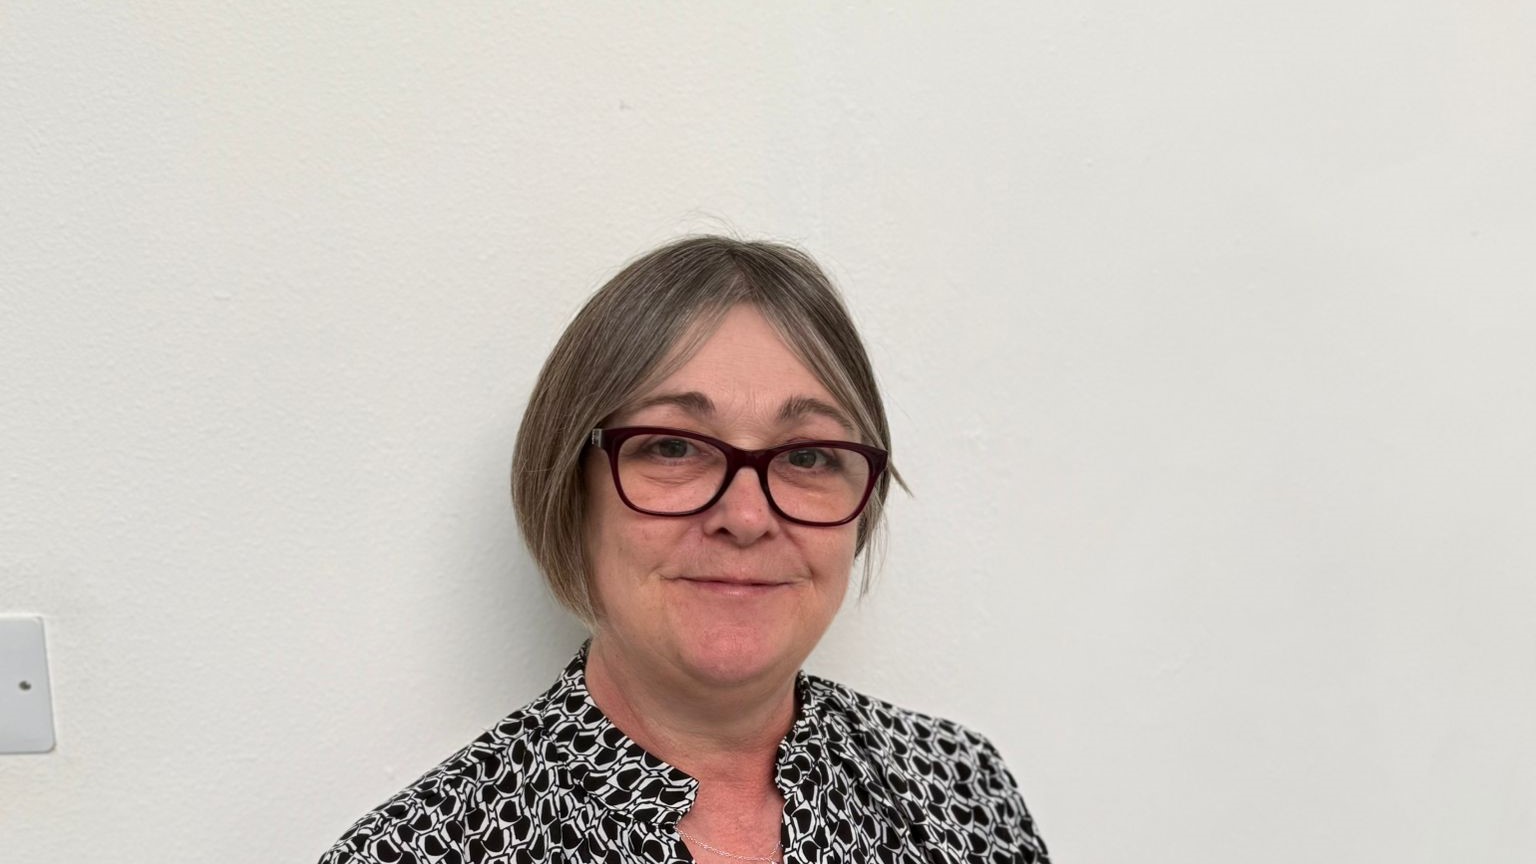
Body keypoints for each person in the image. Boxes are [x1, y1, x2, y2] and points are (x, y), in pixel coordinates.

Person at [319, 237, 1051, 863]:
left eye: (807, 457)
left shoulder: (964, 792)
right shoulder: (420, 850)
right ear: (570, 488)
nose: (746, 516)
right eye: (673, 447)